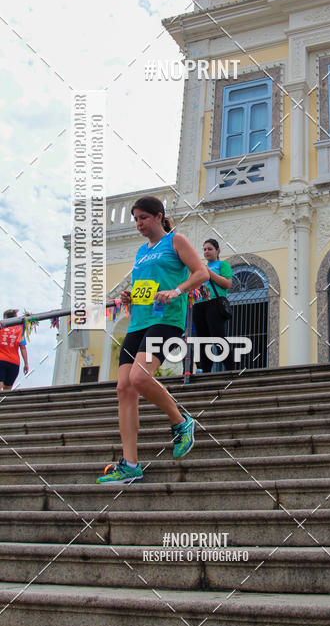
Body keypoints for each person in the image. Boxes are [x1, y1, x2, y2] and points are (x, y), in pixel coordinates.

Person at [97, 196, 209, 483]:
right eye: (135, 219)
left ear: (159, 216)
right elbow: (145, 288)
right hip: (138, 322)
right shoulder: (140, 252)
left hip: (167, 321)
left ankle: (182, 422)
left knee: (139, 377)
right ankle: (130, 464)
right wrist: (130, 297)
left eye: (143, 218)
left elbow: (202, 273)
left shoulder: (175, 241)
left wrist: (177, 290)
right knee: (124, 388)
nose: (138, 224)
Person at [186, 238, 233, 378]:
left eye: (210, 249)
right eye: (204, 249)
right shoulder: (198, 268)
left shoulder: (222, 264)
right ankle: (206, 371)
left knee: (218, 336)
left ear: (217, 251)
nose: (206, 252)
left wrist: (208, 272)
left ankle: (230, 368)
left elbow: (227, 284)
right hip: (199, 304)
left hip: (214, 303)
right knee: (202, 339)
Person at [0, 309, 28, 390]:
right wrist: (26, 364)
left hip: (1, 360)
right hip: (14, 362)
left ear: (5, 317)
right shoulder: (19, 331)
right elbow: (23, 348)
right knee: (7, 389)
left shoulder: (1, 329)